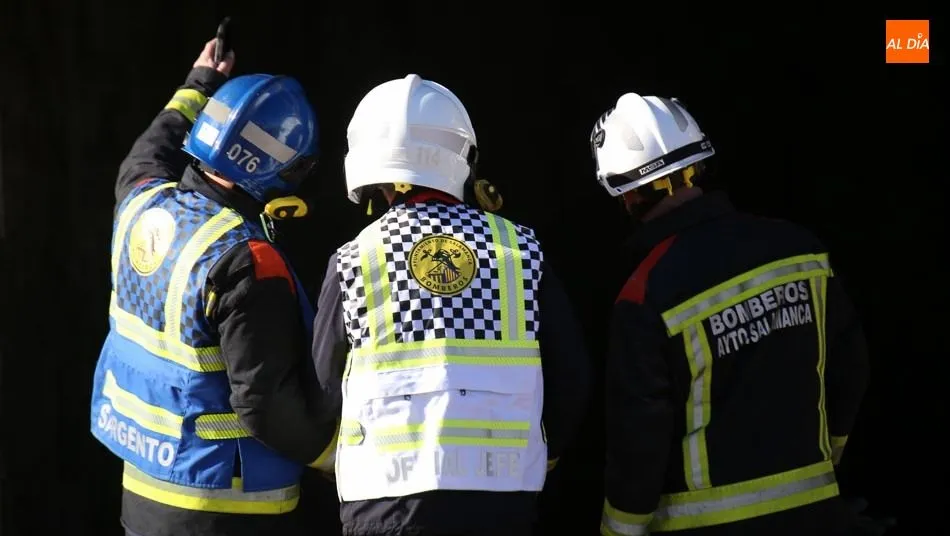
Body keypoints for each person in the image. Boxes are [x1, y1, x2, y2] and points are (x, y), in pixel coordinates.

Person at [310, 74, 592, 536]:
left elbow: (323, 388)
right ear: (463, 160)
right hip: (503, 502)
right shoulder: (520, 249)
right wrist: (543, 450)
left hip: (386, 507)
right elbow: (573, 376)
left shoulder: (355, 259)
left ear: (373, 171)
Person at [589, 93, 870, 536]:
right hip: (818, 512)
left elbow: (639, 435)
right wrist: (827, 453)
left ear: (625, 196)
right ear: (700, 165)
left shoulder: (645, 293)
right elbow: (849, 367)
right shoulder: (801, 248)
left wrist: (619, 528)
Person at [88, 38, 336, 536]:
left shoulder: (141, 197)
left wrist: (199, 84)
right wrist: (335, 454)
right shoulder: (247, 261)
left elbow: (153, 146)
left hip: (143, 489)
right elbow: (264, 402)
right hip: (228, 506)